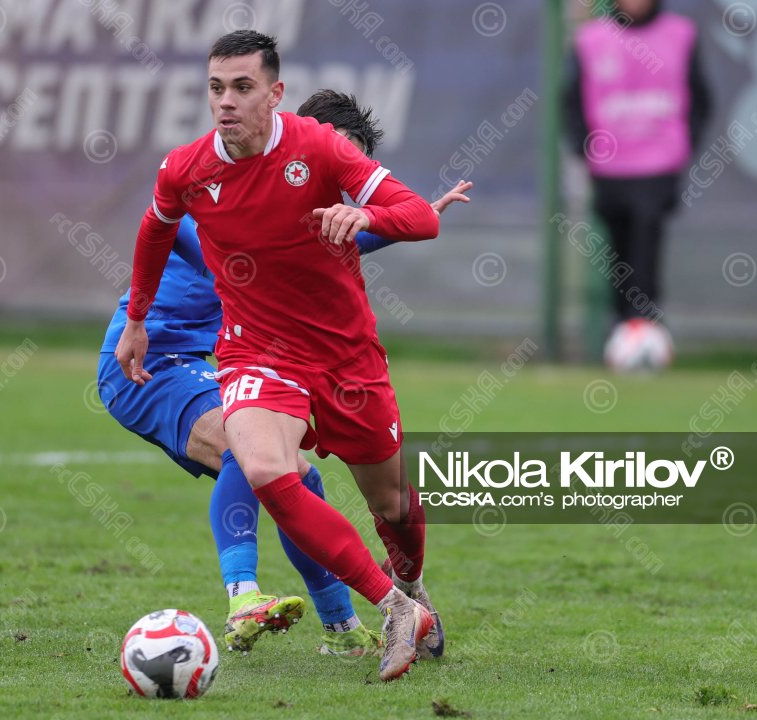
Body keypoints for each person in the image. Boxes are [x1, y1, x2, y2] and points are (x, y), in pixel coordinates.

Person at [116, 30, 450, 682]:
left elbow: (420, 217)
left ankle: (410, 584)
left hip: (345, 356)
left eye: (242, 87)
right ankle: (393, 608)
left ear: (275, 94)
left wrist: (369, 217)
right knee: (267, 468)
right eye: (216, 88)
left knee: (392, 505)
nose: (226, 101)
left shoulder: (319, 147)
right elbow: (156, 227)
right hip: (256, 351)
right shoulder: (186, 168)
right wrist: (135, 320)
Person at [563, 0, 711, 361]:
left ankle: (644, 321)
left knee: (648, 233)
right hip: (610, 164)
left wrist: (683, 144)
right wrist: (585, 147)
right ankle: (623, 323)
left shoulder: (680, 34)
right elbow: (571, 100)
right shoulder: (591, 39)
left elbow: (701, 98)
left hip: (659, 162)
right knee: (619, 245)